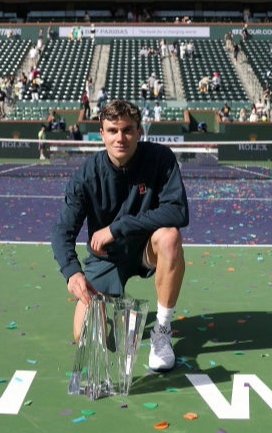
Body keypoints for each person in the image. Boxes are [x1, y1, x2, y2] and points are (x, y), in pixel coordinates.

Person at [50, 100, 189, 372]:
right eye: (112, 130)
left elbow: (179, 213)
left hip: (146, 248)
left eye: (127, 130)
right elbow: (62, 230)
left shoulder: (161, 159)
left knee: (170, 238)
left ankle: (161, 330)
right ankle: (113, 303)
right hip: (107, 258)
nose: (120, 138)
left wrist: (116, 228)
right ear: (101, 134)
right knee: (84, 337)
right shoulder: (86, 175)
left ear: (139, 132)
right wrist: (72, 273)